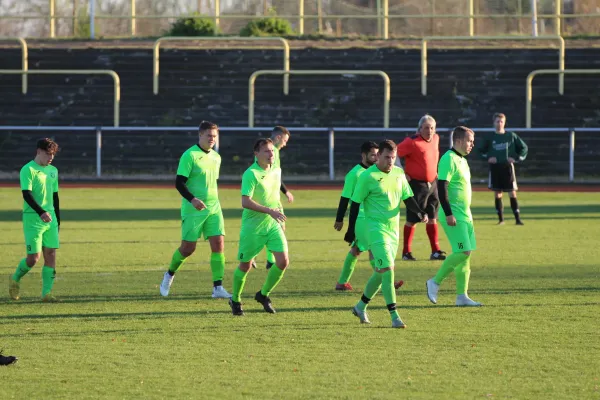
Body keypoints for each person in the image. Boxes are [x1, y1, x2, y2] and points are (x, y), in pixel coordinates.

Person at [345, 140, 428, 328]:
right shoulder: (367, 176)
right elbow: (356, 203)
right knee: (389, 270)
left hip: (393, 231)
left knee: (380, 271)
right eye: (386, 157)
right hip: (375, 230)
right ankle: (394, 316)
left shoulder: (399, 174)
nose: (390, 161)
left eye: (393, 157)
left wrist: (420, 213)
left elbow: (408, 198)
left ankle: (360, 307)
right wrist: (351, 230)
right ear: (378, 156)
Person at [159, 121, 231, 299]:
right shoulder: (189, 155)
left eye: (215, 136)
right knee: (188, 248)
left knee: (218, 245)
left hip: (214, 207)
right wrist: (192, 199)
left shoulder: (216, 157)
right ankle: (169, 274)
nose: (212, 139)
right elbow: (179, 182)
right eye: (209, 135)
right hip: (193, 209)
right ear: (200, 135)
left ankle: (218, 287)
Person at [229, 139, 289, 316]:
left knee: (283, 262)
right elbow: (245, 201)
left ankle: (263, 295)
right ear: (256, 154)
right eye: (266, 151)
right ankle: (235, 300)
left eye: (272, 151)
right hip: (253, 227)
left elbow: (276, 197)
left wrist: (280, 216)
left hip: (272, 224)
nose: (271, 154)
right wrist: (269, 211)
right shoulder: (251, 174)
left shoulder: (276, 170)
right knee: (245, 266)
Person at [426, 126, 482, 307]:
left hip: (465, 214)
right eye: (469, 141)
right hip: (454, 214)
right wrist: (449, 213)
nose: (472, 144)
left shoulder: (462, 160)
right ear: (458, 140)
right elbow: (441, 187)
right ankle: (434, 282)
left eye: (472, 141)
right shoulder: (448, 159)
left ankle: (462, 296)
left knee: (466, 254)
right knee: (462, 251)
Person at [9, 138, 61, 302]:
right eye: (48, 154)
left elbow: (55, 196)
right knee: (33, 258)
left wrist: (58, 220)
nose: (51, 157)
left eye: (53, 154)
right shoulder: (28, 170)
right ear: (39, 151)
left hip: (50, 218)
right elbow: (27, 194)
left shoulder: (53, 170)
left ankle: (46, 294)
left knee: (51, 254)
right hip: (33, 218)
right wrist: (41, 212)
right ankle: (15, 278)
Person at [396, 114, 447, 261]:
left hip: (432, 184)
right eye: (426, 128)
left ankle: (435, 251)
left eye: (432, 128)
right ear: (419, 129)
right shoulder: (412, 142)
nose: (429, 130)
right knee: (412, 219)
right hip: (416, 185)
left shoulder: (436, 138)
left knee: (432, 217)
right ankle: (406, 252)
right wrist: (402, 172)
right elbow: (395, 154)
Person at [333, 141, 380, 291]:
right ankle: (386, 279)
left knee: (356, 250)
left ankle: (341, 283)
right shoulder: (354, 174)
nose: (375, 157)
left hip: (372, 216)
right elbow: (345, 198)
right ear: (363, 155)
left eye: (377, 154)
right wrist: (339, 219)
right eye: (372, 154)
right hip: (360, 218)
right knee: (374, 247)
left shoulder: (376, 171)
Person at [252, 126, 293, 270]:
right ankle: (257, 257)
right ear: (278, 138)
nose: (285, 144)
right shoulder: (272, 152)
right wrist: (286, 191)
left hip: (270, 195)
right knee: (275, 228)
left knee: (274, 227)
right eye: (285, 140)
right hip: (269, 197)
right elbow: (272, 175)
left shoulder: (267, 150)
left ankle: (268, 260)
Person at [477, 113, 528, 225]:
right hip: (495, 168)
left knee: (512, 193)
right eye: (497, 121)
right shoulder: (489, 137)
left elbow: (524, 148)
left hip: (508, 168)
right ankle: (501, 220)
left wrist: (516, 158)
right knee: (497, 193)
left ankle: (518, 219)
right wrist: (488, 157)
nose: (499, 124)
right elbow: (479, 150)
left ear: (504, 123)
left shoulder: (511, 136)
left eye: (501, 121)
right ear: (493, 123)